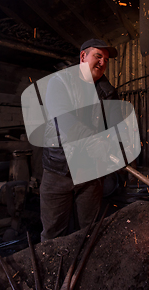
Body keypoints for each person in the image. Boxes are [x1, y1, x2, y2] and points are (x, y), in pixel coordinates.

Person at [40, 39, 119, 242]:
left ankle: (86, 270)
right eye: (98, 56)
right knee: (54, 233)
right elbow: (63, 119)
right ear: (83, 56)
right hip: (59, 171)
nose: (102, 63)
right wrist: (94, 142)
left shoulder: (107, 92)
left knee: (89, 231)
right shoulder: (60, 82)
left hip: (90, 174)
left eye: (106, 59)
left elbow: (113, 127)